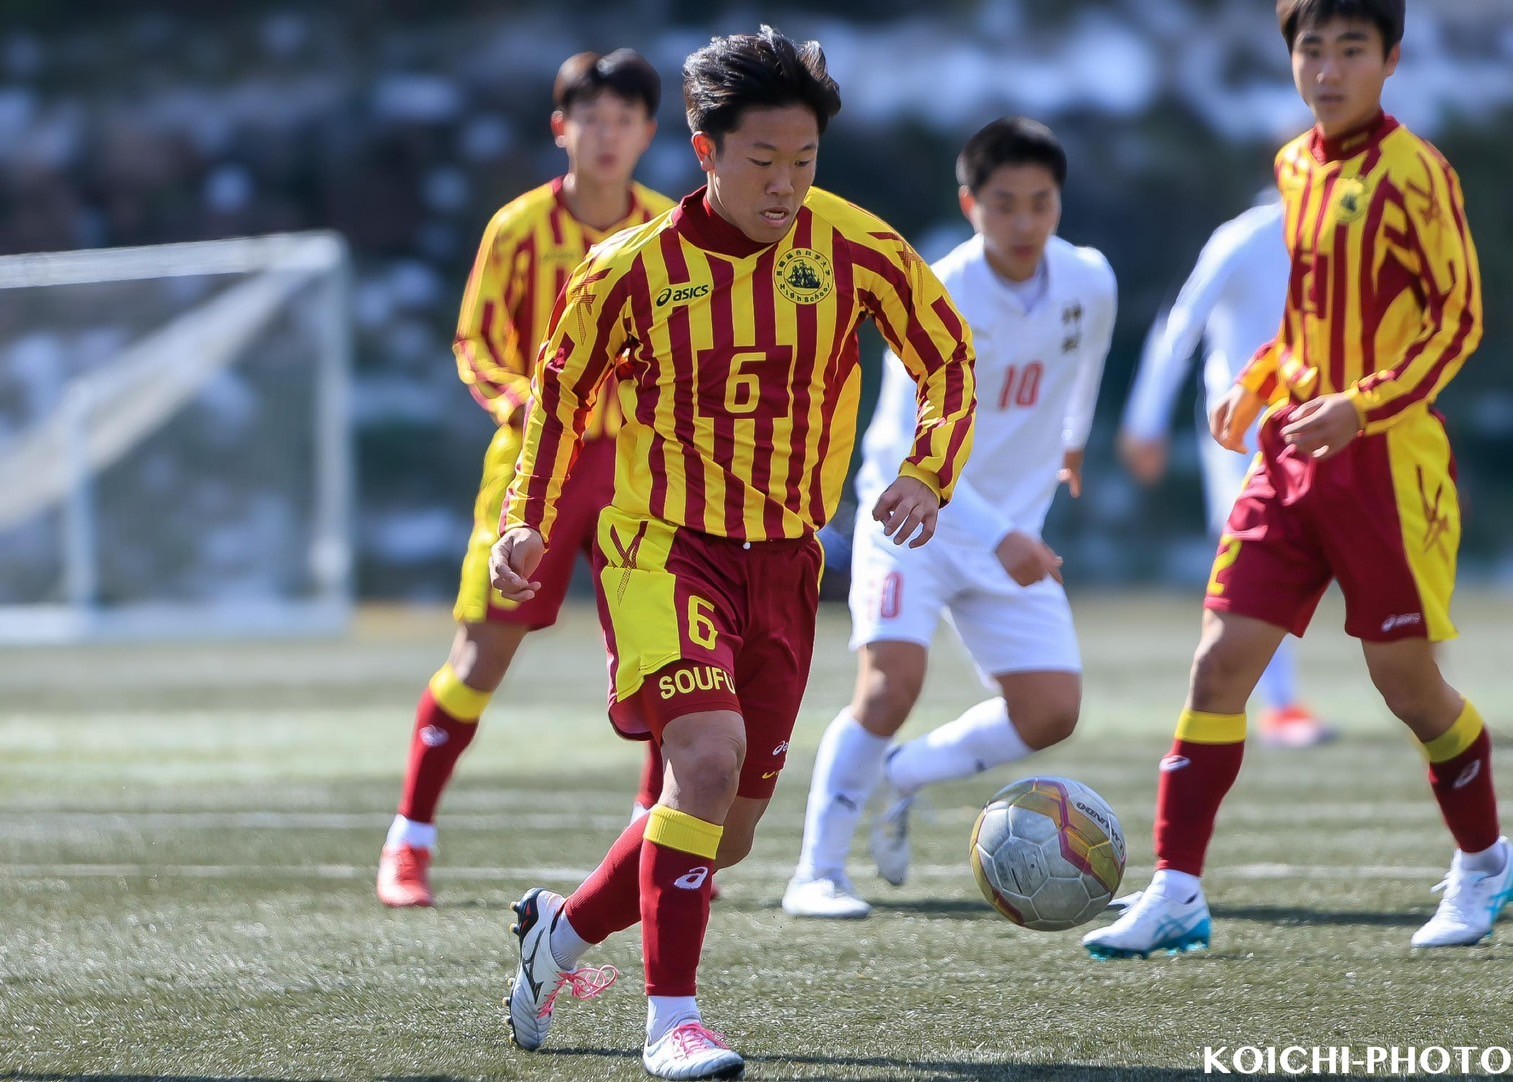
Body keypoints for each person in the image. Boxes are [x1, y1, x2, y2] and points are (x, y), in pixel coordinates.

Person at [489, 26, 976, 1080]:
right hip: (662, 547)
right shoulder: (631, 269)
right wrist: (526, 516)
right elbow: (560, 393)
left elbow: (948, 354)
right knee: (702, 762)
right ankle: (673, 1020)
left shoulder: (854, 245)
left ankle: (557, 934)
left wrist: (926, 470)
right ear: (706, 153)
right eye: (763, 160)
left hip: (787, 562)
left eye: (804, 160)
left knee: (729, 830)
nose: (787, 183)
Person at [1083, 0, 1507, 959]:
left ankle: (1484, 863)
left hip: (1386, 465)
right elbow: (1305, 320)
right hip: (1288, 457)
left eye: (1351, 49)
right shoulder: (1293, 167)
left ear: (1390, 60)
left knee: (1407, 686)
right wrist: (1258, 380)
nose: (1327, 68)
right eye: (1311, 49)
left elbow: (1458, 320)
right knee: (1218, 662)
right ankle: (1177, 889)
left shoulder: (1417, 172)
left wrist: (1361, 405)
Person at [781, 117, 1117, 919]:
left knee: (1050, 712)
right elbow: (901, 441)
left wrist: (1072, 442)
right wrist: (1001, 535)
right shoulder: (941, 291)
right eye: (1004, 205)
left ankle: (904, 772)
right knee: (888, 687)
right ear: (970, 204)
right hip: (913, 520)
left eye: (1041, 203)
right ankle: (816, 873)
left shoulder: (1089, 279)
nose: (1025, 223)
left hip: (1010, 533)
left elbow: (1087, 361)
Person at [376, 50, 674, 908]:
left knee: (666, 661)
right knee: (480, 658)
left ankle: (658, 836)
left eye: (624, 120)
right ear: (561, 129)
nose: (607, 135)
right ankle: (410, 839)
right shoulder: (516, 228)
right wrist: (524, 405)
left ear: (648, 134)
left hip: (638, 473)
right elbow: (473, 343)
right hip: (534, 470)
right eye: (592, 119)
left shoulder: (667, 230)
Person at [1119, 191, 1333, 750]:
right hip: (1244, 437)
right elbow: (1182, 323)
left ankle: (1425, 697)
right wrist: (1146, 420)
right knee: (1259, 563)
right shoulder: (1245, 237)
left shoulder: (1347, 233)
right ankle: (1279, 706)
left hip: (1330, 425)